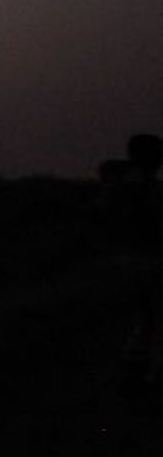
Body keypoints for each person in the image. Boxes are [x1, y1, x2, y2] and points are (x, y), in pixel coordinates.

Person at [98, 132, 163, 393]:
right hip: (148, 259)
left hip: (125, 260)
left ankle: (135, 372)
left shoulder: (117, 186)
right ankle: (150, 377)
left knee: (144, 318)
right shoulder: (148, 188)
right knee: (154, 319)